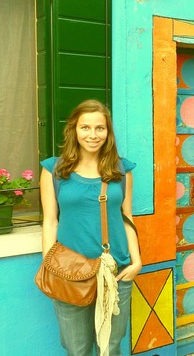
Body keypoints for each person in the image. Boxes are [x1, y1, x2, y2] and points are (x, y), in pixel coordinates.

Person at [40, 99, 141, 356]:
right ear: (74, 129)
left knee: (111, 345)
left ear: (108, 132)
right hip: (69, 272)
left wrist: (136, 261)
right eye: (86, 127)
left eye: (100, 128)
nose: (93, 135)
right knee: (77, 349)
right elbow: (50, 221)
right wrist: (51, 265)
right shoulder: (54, 170)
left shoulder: (121, 170)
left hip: (116, 271)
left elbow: (126, 217)